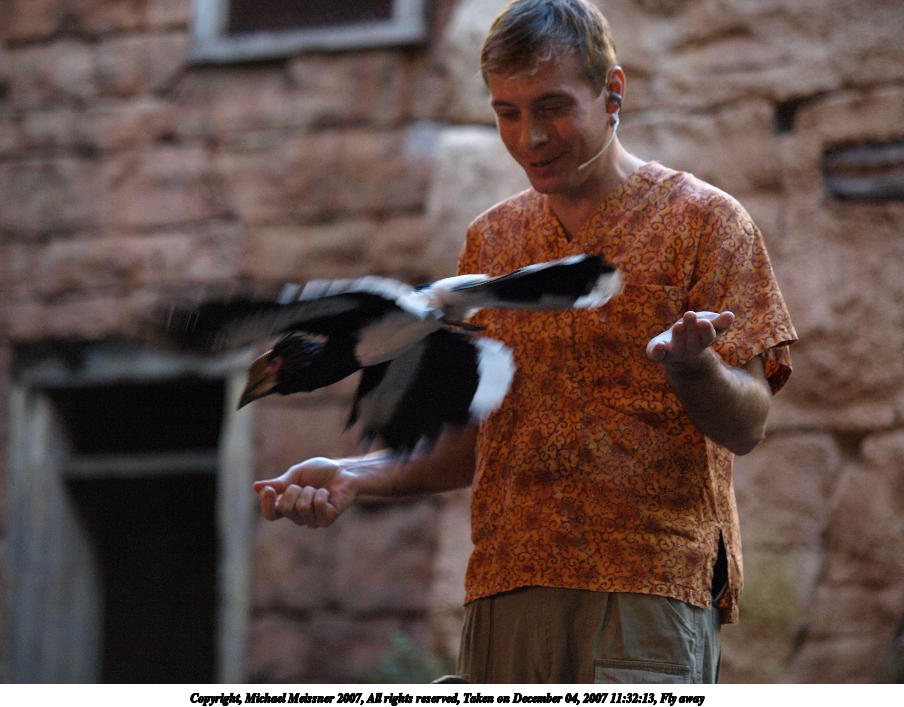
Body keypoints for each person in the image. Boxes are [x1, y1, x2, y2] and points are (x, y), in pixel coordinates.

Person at [253, 0, 797, 683]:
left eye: (552, 107)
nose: (530, 136)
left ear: (613, 92)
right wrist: (354, 474)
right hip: (503, 593)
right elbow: (481, 438)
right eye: (506, 112)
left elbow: (749, 424)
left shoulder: (707, 223)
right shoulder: (491, 240)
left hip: (645, 594)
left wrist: (697, 371)